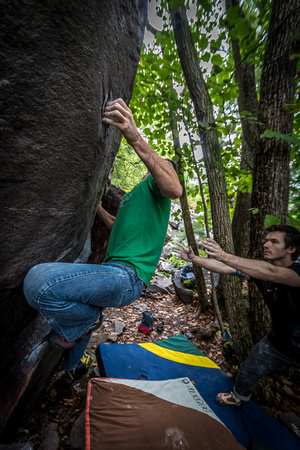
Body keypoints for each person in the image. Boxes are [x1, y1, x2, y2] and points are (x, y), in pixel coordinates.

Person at [23, 98, 182, 370]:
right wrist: (94, 202)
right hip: (114, 273)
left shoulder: (157, 189)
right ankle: (71, 369)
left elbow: (174, 189)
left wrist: (133, 135)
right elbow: (114, 224)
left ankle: (84, 323)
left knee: (39, 282)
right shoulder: (136, 197)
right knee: (84, 307)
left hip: (126, 276)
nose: (156, 169)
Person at [176, 224, 300, 406]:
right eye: (267, 240)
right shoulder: (261, 272)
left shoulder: (296, 273)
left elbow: (272, 273)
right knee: (250, 367)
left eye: (274, 242)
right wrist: (195, 259)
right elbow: (225, 268)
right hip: (278, 342)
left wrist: (224, 255)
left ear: (291, 248)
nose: (266, 245)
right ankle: (238, 398)